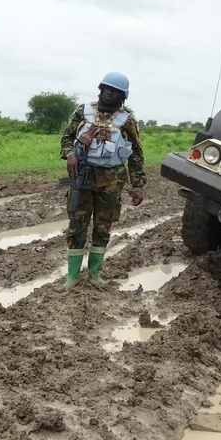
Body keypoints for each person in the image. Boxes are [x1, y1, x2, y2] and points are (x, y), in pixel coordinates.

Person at [59, 71, 146, 287]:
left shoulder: (128, 120)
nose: (109, 93)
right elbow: (66, 137)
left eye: (114, 91)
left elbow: (136, 153)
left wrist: (137, 185)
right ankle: (73, 276)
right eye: (106, 88)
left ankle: (95, 274)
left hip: (112, 180)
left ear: (122, 96)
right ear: (100, 89)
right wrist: (70, 154)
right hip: (82, 176)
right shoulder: (83, 111)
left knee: (103, 226)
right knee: (77, 224)